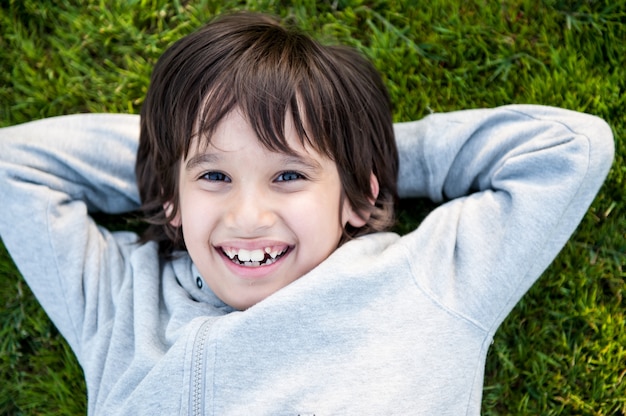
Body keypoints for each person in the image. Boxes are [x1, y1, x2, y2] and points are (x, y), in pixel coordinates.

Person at [0, 11, 614, 416]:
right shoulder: (120, 305)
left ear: (354, 195)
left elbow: (569, 148)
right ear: (171, 199)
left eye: (289, 175)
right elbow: (12, 165)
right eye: (214, 178)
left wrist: (355, 149)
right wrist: (176, 148)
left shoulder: (428, 279)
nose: (247, 215)